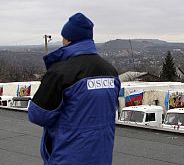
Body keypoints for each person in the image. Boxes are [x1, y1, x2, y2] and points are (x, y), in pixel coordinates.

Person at [28, 12, 120, 165]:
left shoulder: (60, 72)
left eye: (63, 37)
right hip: (102, 156)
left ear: (69, 39)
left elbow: (38, 115)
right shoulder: (110, 71)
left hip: (68, 156)